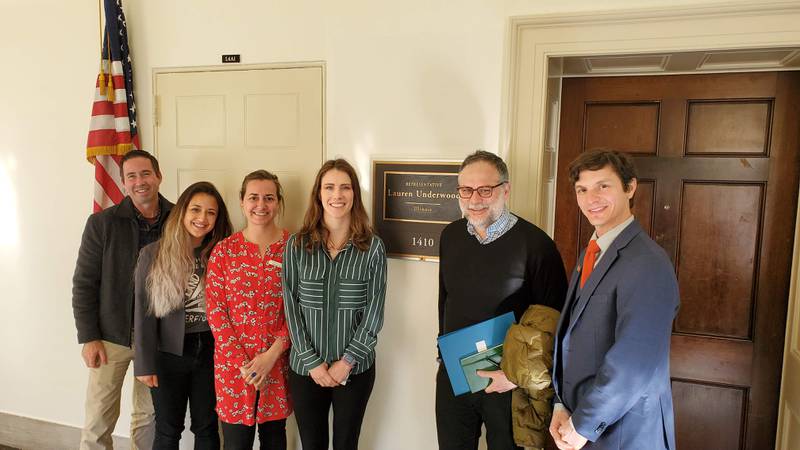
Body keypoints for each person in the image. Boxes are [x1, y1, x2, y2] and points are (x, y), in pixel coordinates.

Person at [436, 150, 567, 450]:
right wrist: (443, 360)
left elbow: (557, 324)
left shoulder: (537, 246)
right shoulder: (450, 236)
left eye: (485, 190)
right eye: (466, 190)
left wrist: (514, 376)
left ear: (505, 190)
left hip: (509, 385)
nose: (474, 199)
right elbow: (446, 300)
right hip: (455, 377)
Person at [550, 150, 679, 450]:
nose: (590, 198)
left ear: (630, 187)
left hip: (625, 432)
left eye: (603, 186)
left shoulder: (648, 262)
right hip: (584, 420)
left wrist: (583, 423)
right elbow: (572, 335)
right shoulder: (591, 252)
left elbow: (632, 361)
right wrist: (561, 404)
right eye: (582, 189)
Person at [282, 159, 387, 450]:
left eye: (345, 187)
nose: (337, 195)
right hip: (306, 370)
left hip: (355, 370)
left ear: (354, 194)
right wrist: (312, 363)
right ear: (318, 194)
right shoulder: (297, 245)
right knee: (312, 444)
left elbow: (374, 312)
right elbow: (291, 307)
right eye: (329, 187)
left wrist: (347, 362)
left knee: (346, 444)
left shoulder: (372, 247)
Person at [72, 149, 172, 449]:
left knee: (148, 419)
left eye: (145, 174)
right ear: (123, 182)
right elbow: (84, 283)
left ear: (158, 176)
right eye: (131, 176)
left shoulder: (180, 218)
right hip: (110, 337)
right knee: (98, 420)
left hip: (158, 338)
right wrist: (89, 337)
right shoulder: (102, 223)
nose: (139, 181)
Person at [133, 181, 232, 449]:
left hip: (213, 351)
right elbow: (143, 312)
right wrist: (144, 363)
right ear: (183, 211)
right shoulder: (153, 254)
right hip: (168, 353)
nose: (202, 218)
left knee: (208, 426)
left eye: (211, 213)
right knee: (167, 429)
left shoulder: (223, 252)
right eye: (196, 210)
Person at [205, 170, 293, 449]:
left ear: (278, 202)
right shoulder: (224, 251)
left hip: (278, 365)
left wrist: (271, 356)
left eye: (269, 198)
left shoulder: (295, 248)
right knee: (235, 443)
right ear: (242, 202)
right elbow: (216, 311)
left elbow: (302, 308)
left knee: (275, 440)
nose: (261, 205)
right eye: (253, 197)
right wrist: (246, 365)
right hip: (233, 370)